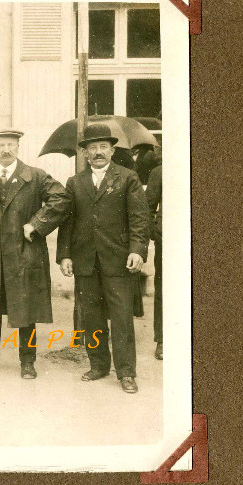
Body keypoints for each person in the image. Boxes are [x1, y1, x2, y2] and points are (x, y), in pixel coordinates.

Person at [0, 130, 70, 378]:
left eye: (10, 144)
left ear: (19, 146)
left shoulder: (34, 176)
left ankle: (27, 362)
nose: (6, 150)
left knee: (25, 310)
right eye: (0, 145)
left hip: (23, 255)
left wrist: (36, 223)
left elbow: (61, 198)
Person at [56, 123, 150, 393]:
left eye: (103, 147)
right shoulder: (75, 182)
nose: (98, 152)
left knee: (121, 317)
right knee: (92, 317)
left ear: (112, 150)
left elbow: (139, 218)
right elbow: (67, 222)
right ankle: (98, 365)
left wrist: (137, 249)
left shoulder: (128, 177)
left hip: (118, 259)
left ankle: (126, 372)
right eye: (92, 148)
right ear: (85, 153)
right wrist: (65, 255)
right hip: (85, 260)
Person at [145, 162, 163, 360]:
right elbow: (147, 207)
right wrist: (155, 233)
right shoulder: (158, 172)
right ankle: (163, 339)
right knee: (164, 288)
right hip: (167, 239)